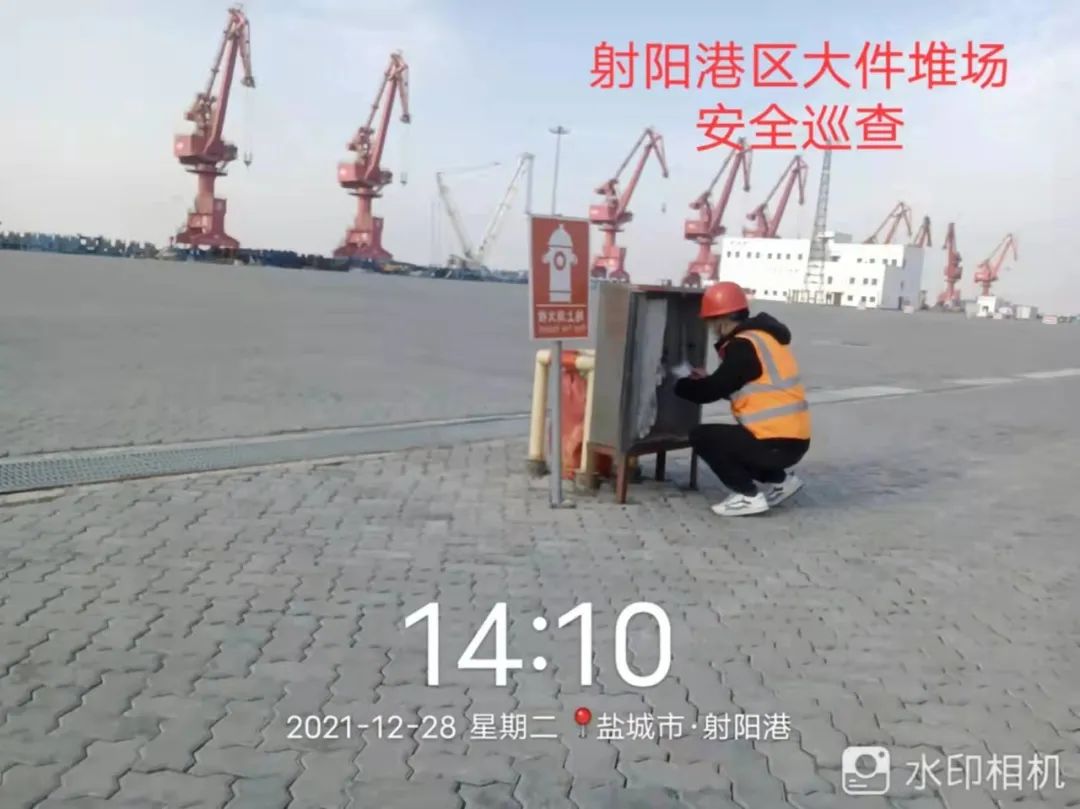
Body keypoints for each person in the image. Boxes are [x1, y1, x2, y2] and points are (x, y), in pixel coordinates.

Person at [673, 282, 810, 516]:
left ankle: (747, 496)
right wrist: (709, 380)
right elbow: (747, 385)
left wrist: (678, 384)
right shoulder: (764, 338)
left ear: (722, 319)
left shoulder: (743, 345)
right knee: (738, 443)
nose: (711, 329)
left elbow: (709, 392)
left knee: (703, 436)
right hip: (794, 440)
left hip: (775, 443)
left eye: (711, 322)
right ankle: (782, 482)